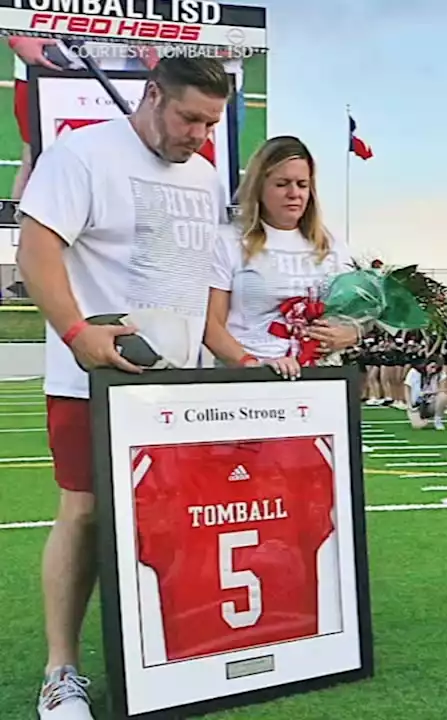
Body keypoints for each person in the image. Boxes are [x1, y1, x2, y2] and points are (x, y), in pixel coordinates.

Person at [15, 57, 232, 720]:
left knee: (170, 521)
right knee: (82, 515)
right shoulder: (81, 154)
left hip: (179, 391)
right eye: (189, 116)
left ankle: (168, 656)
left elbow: (202, 282)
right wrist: (78, 331)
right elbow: (36, 250)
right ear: (152, 94)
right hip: (96, 383)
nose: (199, 133)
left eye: (212, 122)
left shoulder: (205, 171)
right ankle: (61, 671)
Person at [203, 136, 360, 374]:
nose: (293, 193)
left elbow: (356, 315)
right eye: (282, 183)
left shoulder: (332, 245)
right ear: (259, 186)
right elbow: (211, 325)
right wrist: (253, 365)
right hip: (250, 380)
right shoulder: (227, 241)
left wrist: (352, 333)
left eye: (302, 184)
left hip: (321, 378)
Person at [406, 357, 447, 430]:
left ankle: (438, 420)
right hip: (416, 405)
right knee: (418, 426)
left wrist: (430, 393)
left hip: (430, 403)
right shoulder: (414, 372)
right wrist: (409, 404)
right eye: (432, 367)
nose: (433, 370)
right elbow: (407, 388)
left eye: (436, 368)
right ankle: (420, 418)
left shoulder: (439, 373)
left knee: (443, 396)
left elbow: (443, 389)